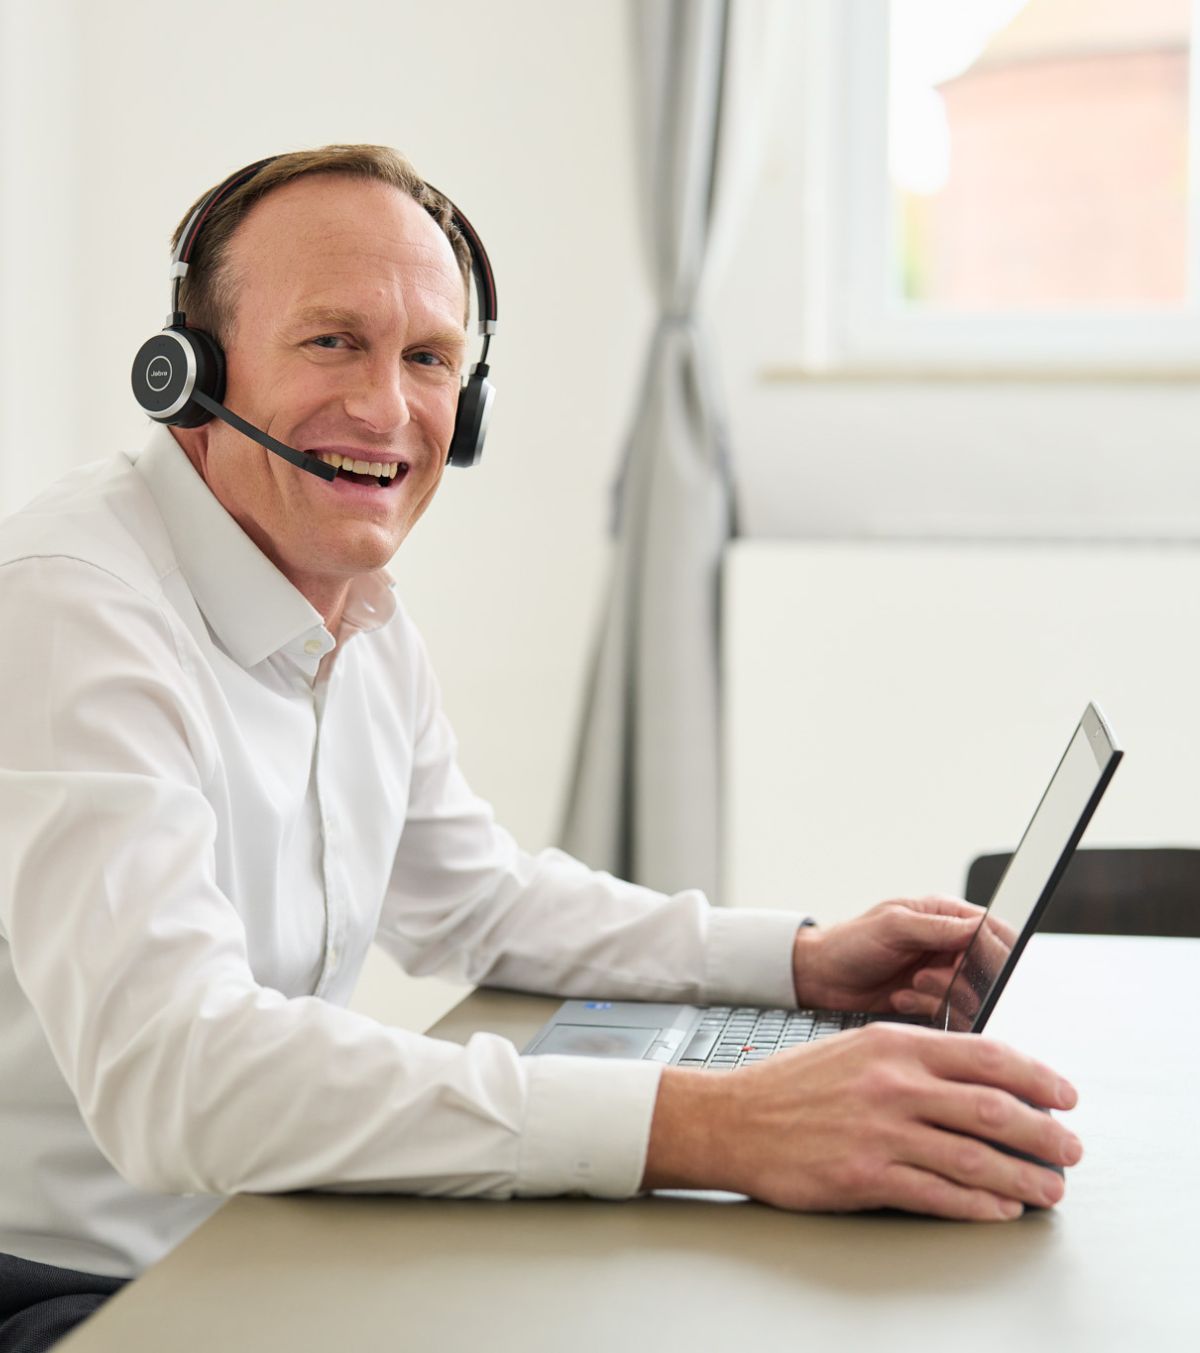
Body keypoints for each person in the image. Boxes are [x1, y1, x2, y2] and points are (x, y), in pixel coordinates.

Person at [0, 145, 1081, 1350]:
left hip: (258, 1234)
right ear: (189, 372)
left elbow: (479, 904)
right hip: (71, 1287)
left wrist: (802, 962)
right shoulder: (69, 610)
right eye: (332, 341)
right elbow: (178, 1074)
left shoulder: (355, 612)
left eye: (429, 360)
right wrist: (719, 1124)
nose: (387, 410)